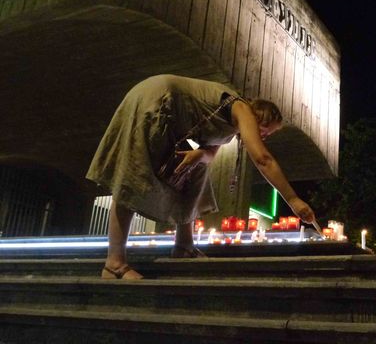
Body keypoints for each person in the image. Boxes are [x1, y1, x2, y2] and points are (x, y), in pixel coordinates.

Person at [86, 74, 316, 279]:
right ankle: (114, 263)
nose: (264, 137)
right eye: (266, 131)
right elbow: (263, 159)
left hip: (166, 113)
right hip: (156, 101)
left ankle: (184, 245)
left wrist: (197, 155)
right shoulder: (242, 108)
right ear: (260, 118)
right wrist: (293, 199)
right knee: (132, 176)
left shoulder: (228, 128)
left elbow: (208, 157)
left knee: (196, 171)